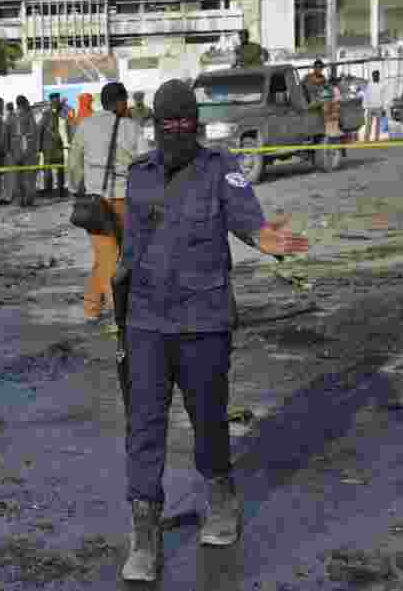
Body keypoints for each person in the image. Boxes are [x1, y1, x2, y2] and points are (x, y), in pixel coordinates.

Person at [118, 79, 309, 582]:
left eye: (185, 120)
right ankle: (144, 531)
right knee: (143, 427)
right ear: (155, 126)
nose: (176, 129)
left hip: (204, 322)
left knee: (208, 419)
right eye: (167, 122)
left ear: (196, 123)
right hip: (146, 325)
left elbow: (248, 218)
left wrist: (263, 237)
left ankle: (220, 496)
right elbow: (130, 252)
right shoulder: (138, 176)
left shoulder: (220, 168)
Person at [67, 82, 148, 323]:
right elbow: (144, 163)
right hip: (126, 201)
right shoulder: (132, 128)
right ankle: (118, 315)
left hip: (95, 202)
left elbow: (74, 162)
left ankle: (92, 307)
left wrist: (75, 189)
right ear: (121, 102)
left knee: (105, 255)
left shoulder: (86, 125)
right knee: (115, 257)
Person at [8, 95, 40, 208]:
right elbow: (34, 132)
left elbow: (7, 133)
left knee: (17, 176)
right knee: (29, 175)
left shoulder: (11, 116)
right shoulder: (29, 115)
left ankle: (20, 200)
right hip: (27, 148)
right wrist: (36, 148)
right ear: (25, 103)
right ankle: (29, 199)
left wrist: (9, 149)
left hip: (14, 148)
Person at [39, 93, 70, 197]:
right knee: (48, 170)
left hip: (58, 146)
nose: (56, 102)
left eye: (57, 100)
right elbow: (40, 129)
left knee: (60, 169)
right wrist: (39, 147)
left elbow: (66, 118)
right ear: (51, 101)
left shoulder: (61, 112)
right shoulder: (46, 114)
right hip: (48, 147)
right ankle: (49, 191)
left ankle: (60, 190)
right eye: (54, 100)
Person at [362, 70, 388, 142]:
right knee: (368, 124)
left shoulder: (382, 85)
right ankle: (366, 139)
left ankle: (376, 138)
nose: (375, 76)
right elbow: (366, 96)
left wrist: (384, 108)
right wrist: (364, 106)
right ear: (372, 76)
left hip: (379, 107)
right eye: (374, 75)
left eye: (376, 75)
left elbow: (384, 97)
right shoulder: (369, 85)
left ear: (378, 76)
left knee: (378, 124)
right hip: (370, 107)